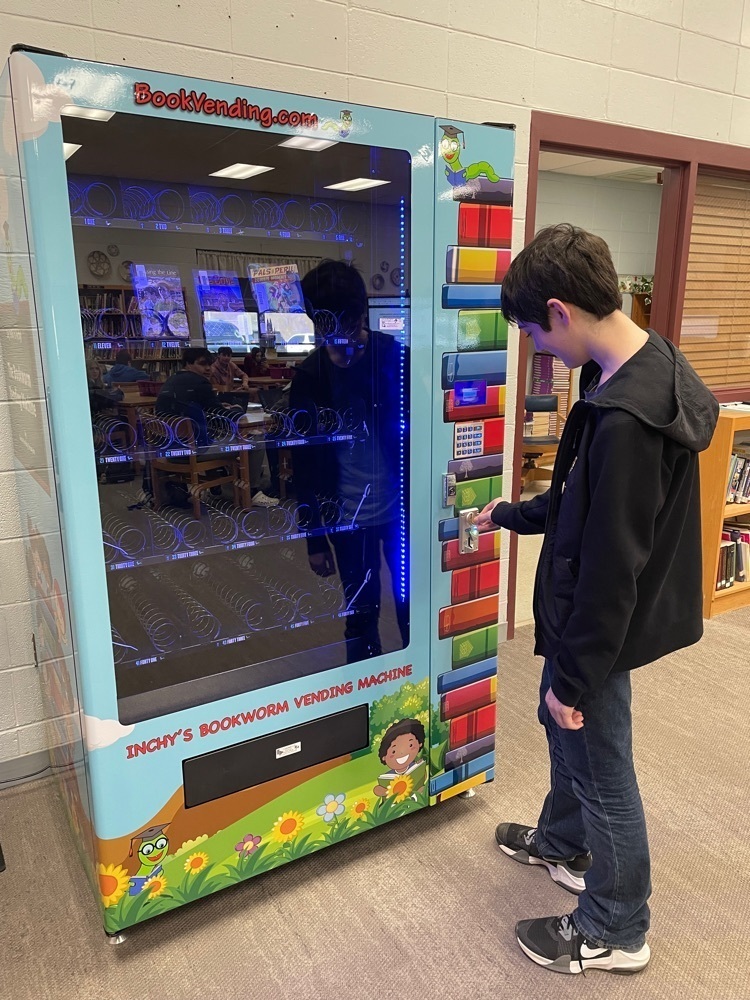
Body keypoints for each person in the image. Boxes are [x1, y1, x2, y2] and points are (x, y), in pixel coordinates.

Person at [474, 224, 718, 976]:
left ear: (558, 310)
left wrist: (574, 678)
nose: (540, 352)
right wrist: (511, 515)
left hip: (599, 625)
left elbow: (614, 567)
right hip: (584, 614)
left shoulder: (626, 422)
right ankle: (563, 843)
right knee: (566, 740)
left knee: (601, 762)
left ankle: (616, 926)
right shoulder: (635, 365)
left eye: (533, 335)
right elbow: (585, 502)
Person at [290, 260, 409, 662]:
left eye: (342, 329)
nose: (335, 341)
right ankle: (367, 697)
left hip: (401, 514)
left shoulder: (395, 359)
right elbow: (303, 463)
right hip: (346, 517)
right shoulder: (309, 376)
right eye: (323, 329)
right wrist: (313, 537)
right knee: (360, 613)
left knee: (413, 607)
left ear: (362, 315)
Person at [155, 347, 277, 508]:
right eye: (202, 364)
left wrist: (216, 408)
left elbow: (192, 408)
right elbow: (224, 419)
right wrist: (236, 410)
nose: (207, 368)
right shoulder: (200, 383)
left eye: (209, 364)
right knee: (255, 438)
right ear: (188, 364)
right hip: (194, 451)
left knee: (217, 435)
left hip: (169, 449)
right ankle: (252, 492)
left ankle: (217, 485)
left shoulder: (171, 380)